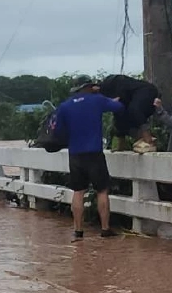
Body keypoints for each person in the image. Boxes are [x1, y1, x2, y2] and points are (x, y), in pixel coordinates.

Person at [55, 83, 124, 240]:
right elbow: (119, 107)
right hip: (94, 153)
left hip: (74, 154)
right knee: (102, 190)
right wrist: (109, 99)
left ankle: (78, 231)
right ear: (88, 87)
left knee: (78, 192)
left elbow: (59, 130)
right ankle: (105, 229)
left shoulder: (64, 106)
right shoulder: (97, 100)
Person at [92, 75, 159, 154]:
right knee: (119, 117)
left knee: (134, 110)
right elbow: (118, 115)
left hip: (146, 91)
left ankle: (148, 139)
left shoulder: (112, 83)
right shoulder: (105, 95)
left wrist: (118, 97)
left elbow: (121, 91)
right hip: (130, 97)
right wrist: (120, 144)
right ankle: (124, 144)